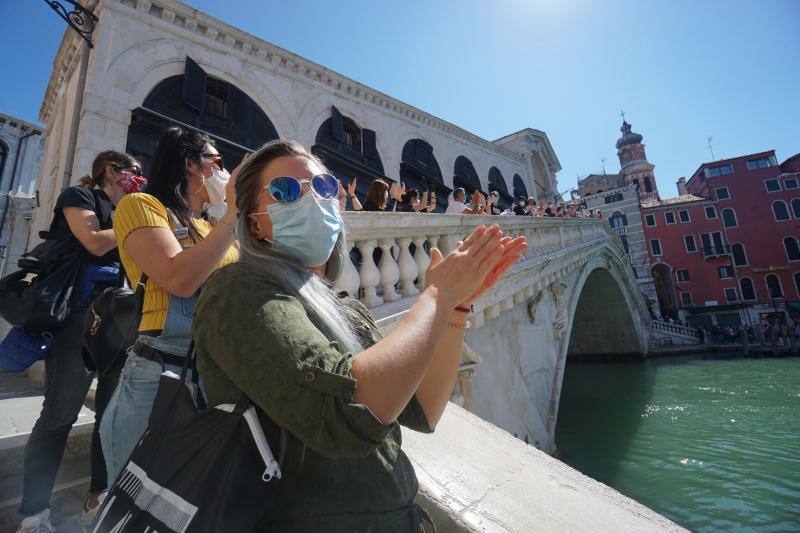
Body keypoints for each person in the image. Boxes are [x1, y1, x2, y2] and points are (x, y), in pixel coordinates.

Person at [192, 140, 527, 530]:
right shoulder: (236, 290)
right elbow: (348, 416)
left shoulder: (345, 308)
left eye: (324, 188)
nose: (312, 200)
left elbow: (423, 409)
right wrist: (437, 296)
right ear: (255, 222)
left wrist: (456, 308)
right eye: (285, 190)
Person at [98, 127, 242, 486]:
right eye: (217, 161)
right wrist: (234, 214)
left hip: (216, 374)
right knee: (137, 505)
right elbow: (179, 278)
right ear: (190, 165)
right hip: (161, 370)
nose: (224, 172)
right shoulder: (141, 206)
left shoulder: (214, 226)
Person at [16, 151, 143, 533]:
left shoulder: (128, 212)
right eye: (134, 174)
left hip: (120, 323)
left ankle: (99, 492)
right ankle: (33, 514)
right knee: (59, 417)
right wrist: (137, 223)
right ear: (111, 171)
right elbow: (93, 242)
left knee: (112, 414)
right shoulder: (81, 197)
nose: (139, 181)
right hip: (78, 318)